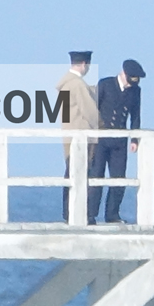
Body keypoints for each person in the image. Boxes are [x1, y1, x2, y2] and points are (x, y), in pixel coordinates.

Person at [90, 59, 145, 224]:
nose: (131, 84)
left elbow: (135, 116)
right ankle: (90, 214)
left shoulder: (136, 91)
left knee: (119, 178)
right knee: (96, 176)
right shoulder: (105, 85)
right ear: (123, 74)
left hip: (120, 141)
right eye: (130, 80)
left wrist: (134, 138)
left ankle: (112, 215)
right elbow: (94, 109)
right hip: (100, 139)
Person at [58, 51, 99, 222]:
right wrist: (101, 125)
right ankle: (74, 213)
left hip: (69, 135)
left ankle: (68, 213)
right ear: (83, 64)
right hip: (80, 137)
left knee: (70, 174)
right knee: (79, 174)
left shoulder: (65, 83)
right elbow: (90, 112)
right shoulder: (77, 85)